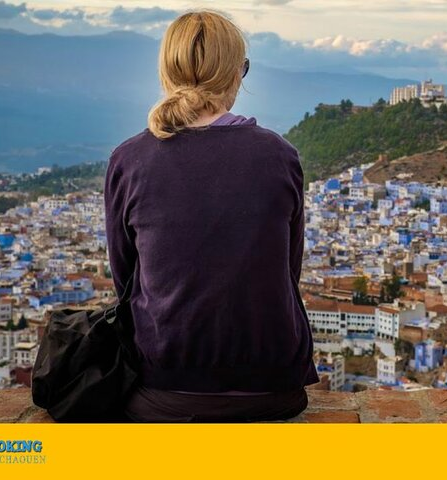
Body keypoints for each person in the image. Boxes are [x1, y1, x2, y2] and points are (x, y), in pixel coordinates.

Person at [103, 9, 320, 423]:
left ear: (166, 72)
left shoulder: (129, 159)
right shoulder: (279, 155)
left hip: (164, 386)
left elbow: (125, 278)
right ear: (239, 73)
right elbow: (288, 270)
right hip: (274, 387)